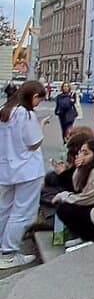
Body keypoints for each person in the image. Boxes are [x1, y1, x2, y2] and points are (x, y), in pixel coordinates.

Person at [0, 80, 50, 269]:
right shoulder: (26, 114)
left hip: (6, 169)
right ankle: (9, 253)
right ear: (34, 96)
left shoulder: (4, 111)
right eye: (39, 99)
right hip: (26, 170)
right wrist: (42, 125)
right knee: (21, 212)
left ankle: (2, 247)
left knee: (4, 209)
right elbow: (33, 143)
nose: (39, 104)